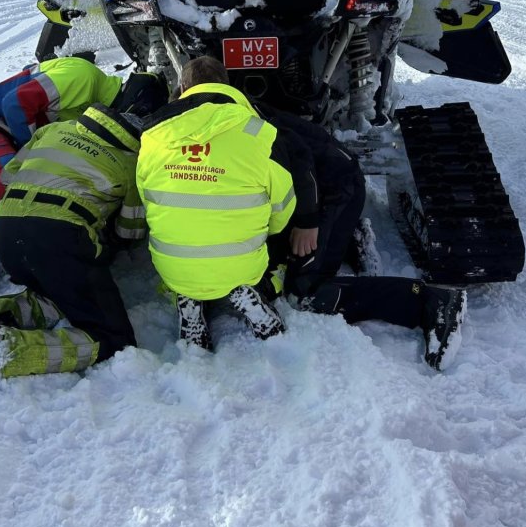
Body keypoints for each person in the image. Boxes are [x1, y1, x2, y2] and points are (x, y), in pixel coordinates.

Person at [0, 102, 153, 400]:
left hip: (7, 230)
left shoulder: (54, 130)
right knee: (113, 339)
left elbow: (9, 175)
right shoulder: (132, 161)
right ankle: (4, 349)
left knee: (58, 295)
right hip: (61, 237)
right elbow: (130, 232)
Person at [258, 104, 467, 370]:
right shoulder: (230, 112)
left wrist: (308, 223)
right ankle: (345, 239)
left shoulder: (245, 126)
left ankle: (430, 301)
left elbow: (301, 165)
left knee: (305, 291)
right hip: (316, 188)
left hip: (334, 190)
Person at [136, 56, 307, 350]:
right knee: (271, 243)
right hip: (242, 264)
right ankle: (253, 289)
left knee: (182, 240)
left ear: (183, 87)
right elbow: (283, 208)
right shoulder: (259, 133)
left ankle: (188, 297)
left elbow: (146, 199)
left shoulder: (153, 136)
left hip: (173, 267)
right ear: (227, 86)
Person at [0, 55, 165, 231]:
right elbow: (15, 104)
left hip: (3, 135)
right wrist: (31, 157)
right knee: (5, 207)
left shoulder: (95, 107)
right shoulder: (84, 76)